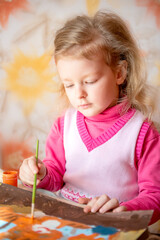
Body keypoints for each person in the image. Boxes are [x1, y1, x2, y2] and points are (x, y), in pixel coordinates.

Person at [19, 10, 160, 224]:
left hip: (113, 228)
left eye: (90, 81)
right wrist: (38, 175)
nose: (79, 94)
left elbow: (155, 197)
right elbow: (55, 178)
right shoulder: (64, 125)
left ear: (119, 73)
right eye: (69, 84)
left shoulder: (141, 132)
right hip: (65, 224)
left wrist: (124, 210)